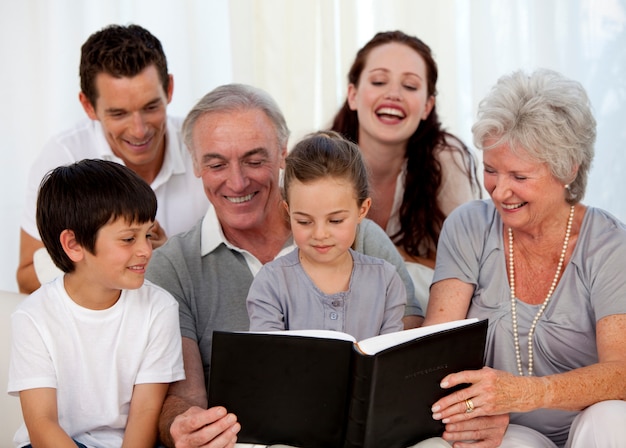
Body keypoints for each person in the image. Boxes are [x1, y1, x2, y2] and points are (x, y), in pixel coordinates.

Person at [145, 83, 424, 448]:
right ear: (195, 164)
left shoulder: (361, 238)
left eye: (255, 160)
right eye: (216, 163)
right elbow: (185, 397)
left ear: (282, 153)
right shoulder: (174, 267)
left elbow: (408, 354)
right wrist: (183, 426)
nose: (237, 181)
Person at [423, 68, 626, 447]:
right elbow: (432, 355)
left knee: (613, 417)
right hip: (503, 429)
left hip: (586, 425)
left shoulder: (610, 246)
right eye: (490, 170)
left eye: (519, 176)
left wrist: (527, 393)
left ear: (567, 169)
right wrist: (473, 412)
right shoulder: (469, 226)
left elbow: (622, 373)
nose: (500, 191)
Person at [16, 23, 209, 294]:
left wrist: (167, 256)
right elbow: (26, 278)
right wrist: (113, 255)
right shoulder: (63, 157)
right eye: (119, 114)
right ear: (87, 106)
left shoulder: (203, 147)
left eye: (151, 107)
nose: (139, 130)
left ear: (169, 89)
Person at [8, 159, 185, 448]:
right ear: (74, 245)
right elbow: (42, 424)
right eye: (129, 238)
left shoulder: (159, 308)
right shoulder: (33, 316)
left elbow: (144, 414)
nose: (145, 250)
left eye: (148, 234)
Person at [330, 30, 481, 313]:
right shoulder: (318, 157)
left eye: (410, 86)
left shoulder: (447, 160)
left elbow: (472, 270)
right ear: (353, 95)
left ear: (427, 106)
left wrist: (378, 254)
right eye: (378, 81)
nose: (393, 94)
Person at [247, 130, 405, 340]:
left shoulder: (386, 282)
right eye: (304, 221)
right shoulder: (271, 283)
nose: (320, 234)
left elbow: (390, 361)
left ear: (362, 209)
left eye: (336, 220)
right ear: (288, 210)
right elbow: (267, 361)